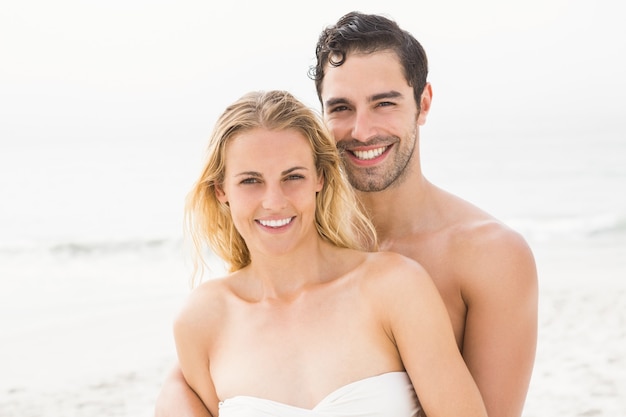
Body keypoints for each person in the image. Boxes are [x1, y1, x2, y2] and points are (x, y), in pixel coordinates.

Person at [155, 11, 538, 417]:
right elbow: (215, 358)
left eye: (384, 103)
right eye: (340, 108)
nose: (361, 129)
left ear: (422, 103)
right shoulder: (288, 232)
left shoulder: (490, 256)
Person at [170, 89, 487, 417]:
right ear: (221, 189)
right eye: (251, 181)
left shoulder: (395, 287)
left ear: (319, 177)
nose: (275, 201)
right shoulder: (202, 321)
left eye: (293, 177)